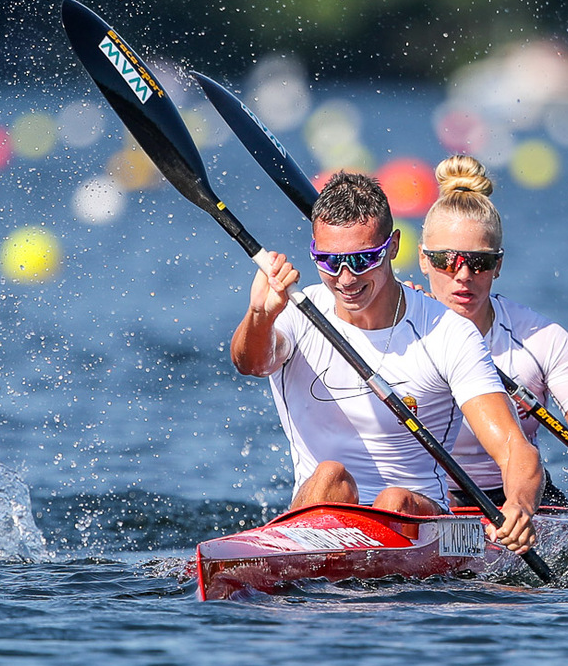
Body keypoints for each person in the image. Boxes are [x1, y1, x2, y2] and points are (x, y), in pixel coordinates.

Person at [231, 171, 545, 552]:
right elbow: (252, 362)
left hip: (418, 518)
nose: (345, 278)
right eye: (329, 261)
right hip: (320, 512)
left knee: (393, 501)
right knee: (330, 475)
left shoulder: (448, 332)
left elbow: (513, 447)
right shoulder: (298, 311)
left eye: (362, 259)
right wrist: (259, 315)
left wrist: (519, 505)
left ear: (393, 246)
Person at [418, 154, 568, 508]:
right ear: (424, 260)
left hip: (523, 494)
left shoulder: (540, 338)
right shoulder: (396, 328)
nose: (463, 275)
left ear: (498, 265)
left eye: (479, 262)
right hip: (426, 496)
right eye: (446, 260)